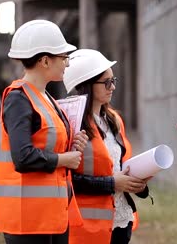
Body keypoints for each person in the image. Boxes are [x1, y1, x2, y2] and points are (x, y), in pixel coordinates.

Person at [0, 19, 89, 244]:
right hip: (28, 220)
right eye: (64, 57)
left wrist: (73, 144)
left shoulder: (47, 99)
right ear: (45, 61)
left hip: (53, 214)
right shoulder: (18, 98)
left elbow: (47, 144)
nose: (67, 64)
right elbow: (23, 157)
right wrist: (64, 159)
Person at [63, 49, 150, 244]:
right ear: (87, 85)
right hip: (87, 226)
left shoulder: (114, 120)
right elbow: (65, 178)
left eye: (114, 80)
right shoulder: (70, 122)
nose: (112, 87)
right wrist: (111, 183)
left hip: (120, 220)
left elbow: (120, 165)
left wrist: (138, 184)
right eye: (106, 82)